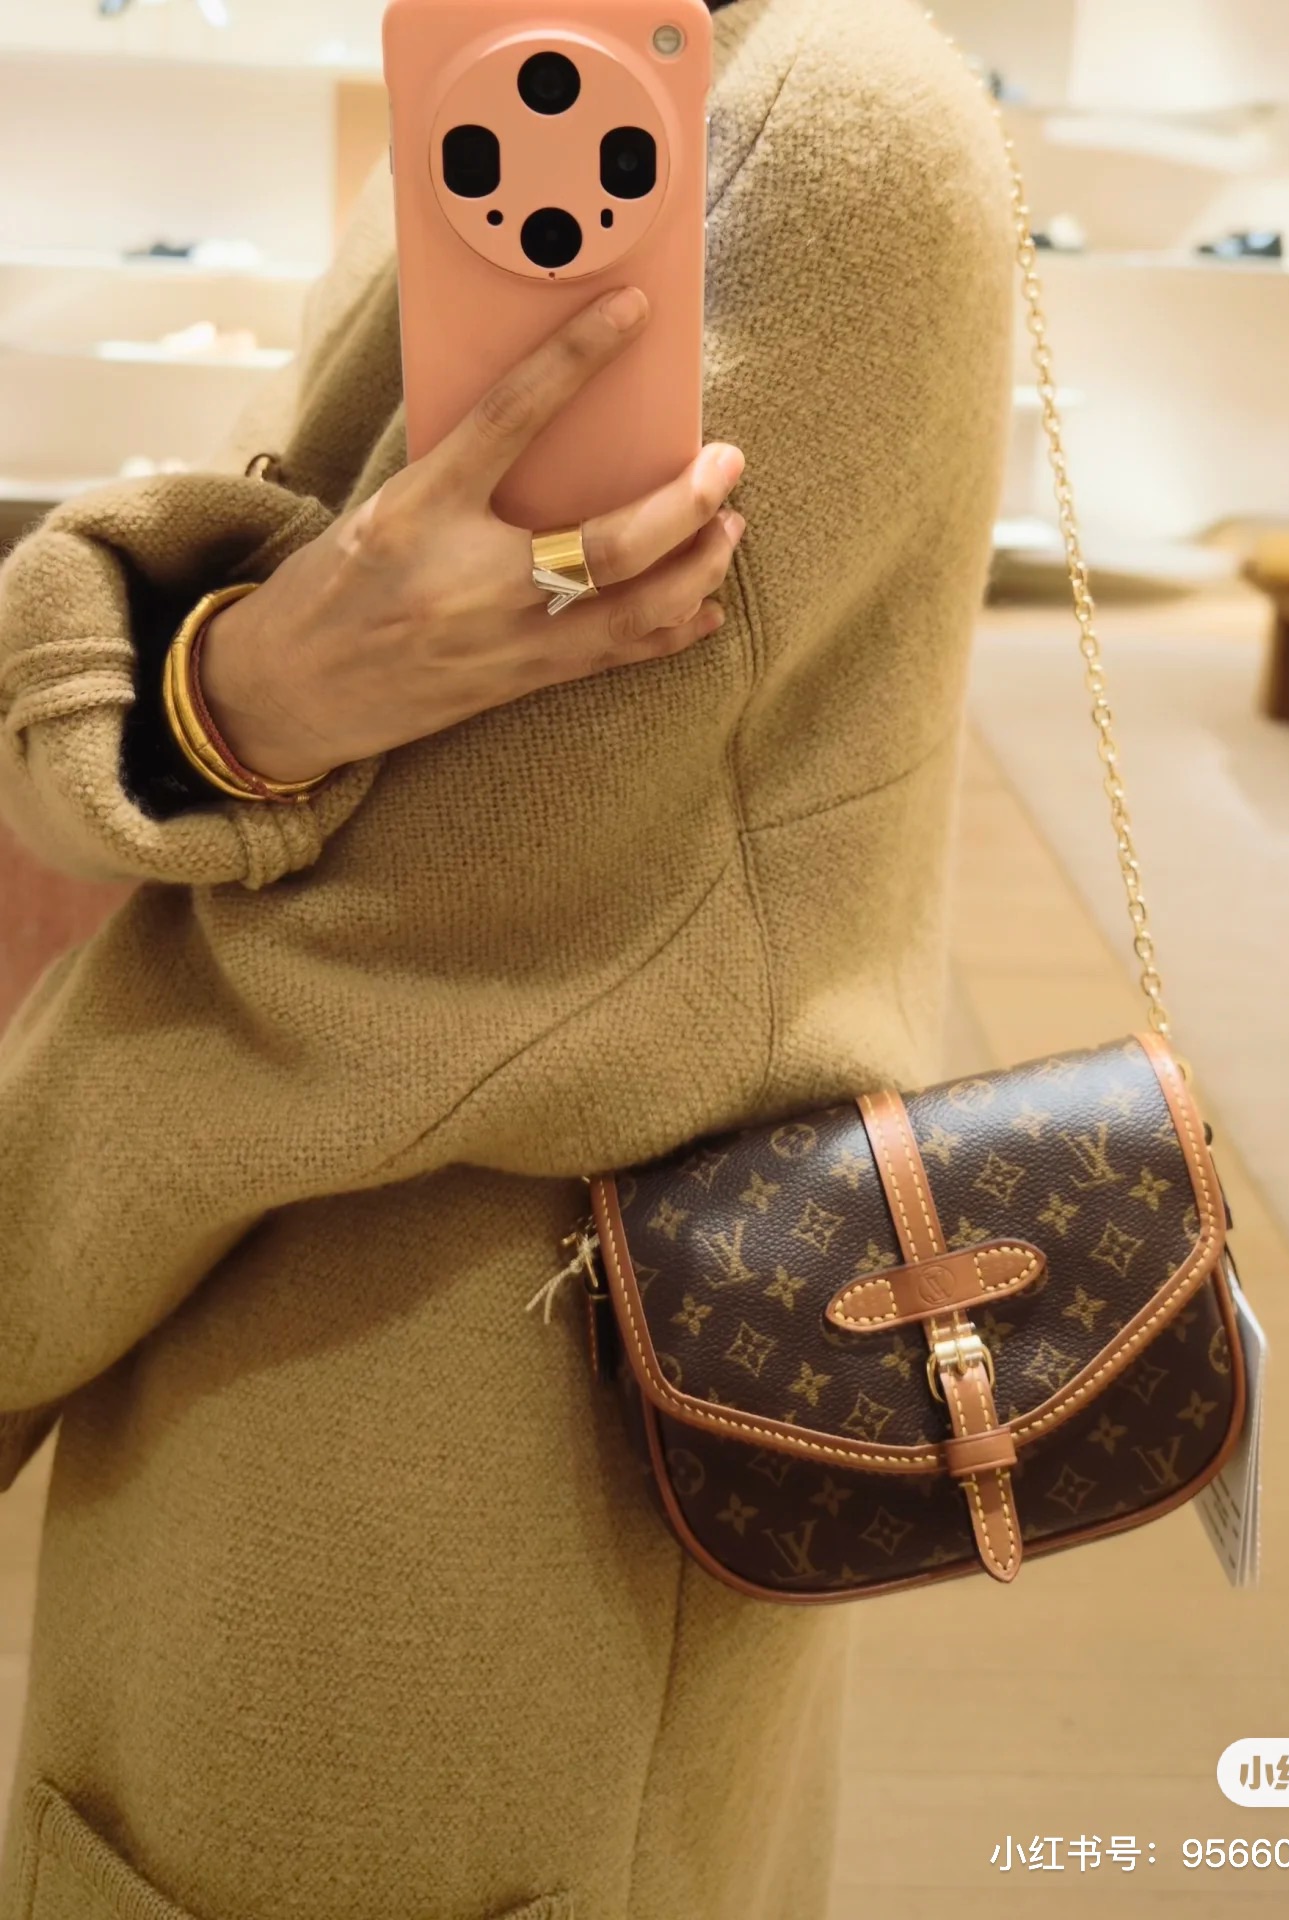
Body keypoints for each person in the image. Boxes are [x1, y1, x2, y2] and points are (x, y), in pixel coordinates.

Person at [0, 1, 1011, 1914]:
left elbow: (390, 971)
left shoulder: (804, 128)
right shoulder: (544, 67)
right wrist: (236, 693)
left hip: (460, 1427)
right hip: (349, 1345)